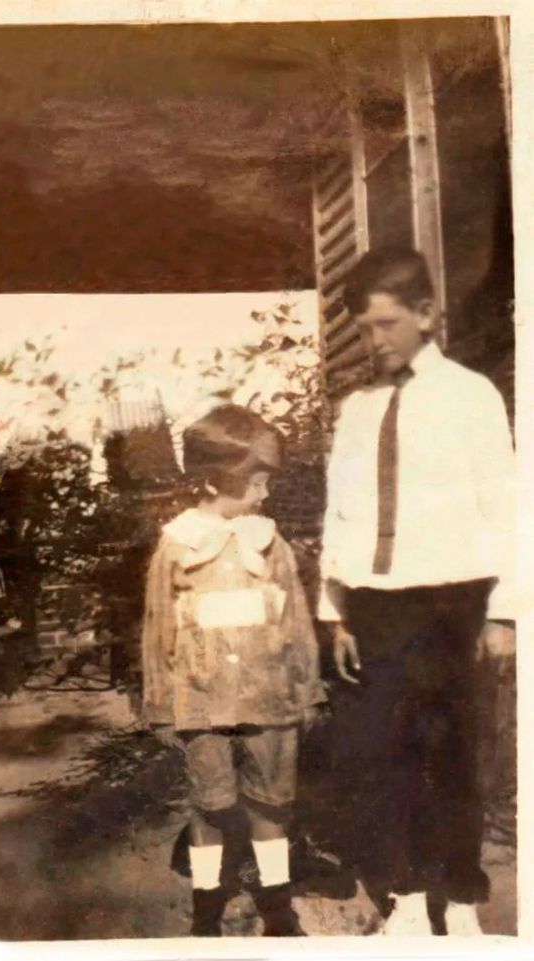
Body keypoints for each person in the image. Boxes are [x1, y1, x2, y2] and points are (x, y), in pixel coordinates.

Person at [318, 246, 515, 935]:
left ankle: (458, 899)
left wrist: (505, 613)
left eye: (387, 324)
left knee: (453, 751)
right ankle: (402, 896)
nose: (375, 341)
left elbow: (506, 508)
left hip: (452, 601)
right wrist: (336, 612)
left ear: (426, 314)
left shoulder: (470, 396)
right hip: (376, 602)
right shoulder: (357, 409)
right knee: (383, 751)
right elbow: (341, 512)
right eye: (364, 330)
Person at [142, 404, 326, 937]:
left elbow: (296, 622)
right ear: (211, 481)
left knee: (272, 806)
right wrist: (161, 706)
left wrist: (308, 690)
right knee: (210, 808)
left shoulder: (270, 543)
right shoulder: (178, 544)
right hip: (202, 702)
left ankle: (278, 909)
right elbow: (158, 629)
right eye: (256, 482)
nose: (265, 494)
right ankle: (206, 912)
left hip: (270, 698)